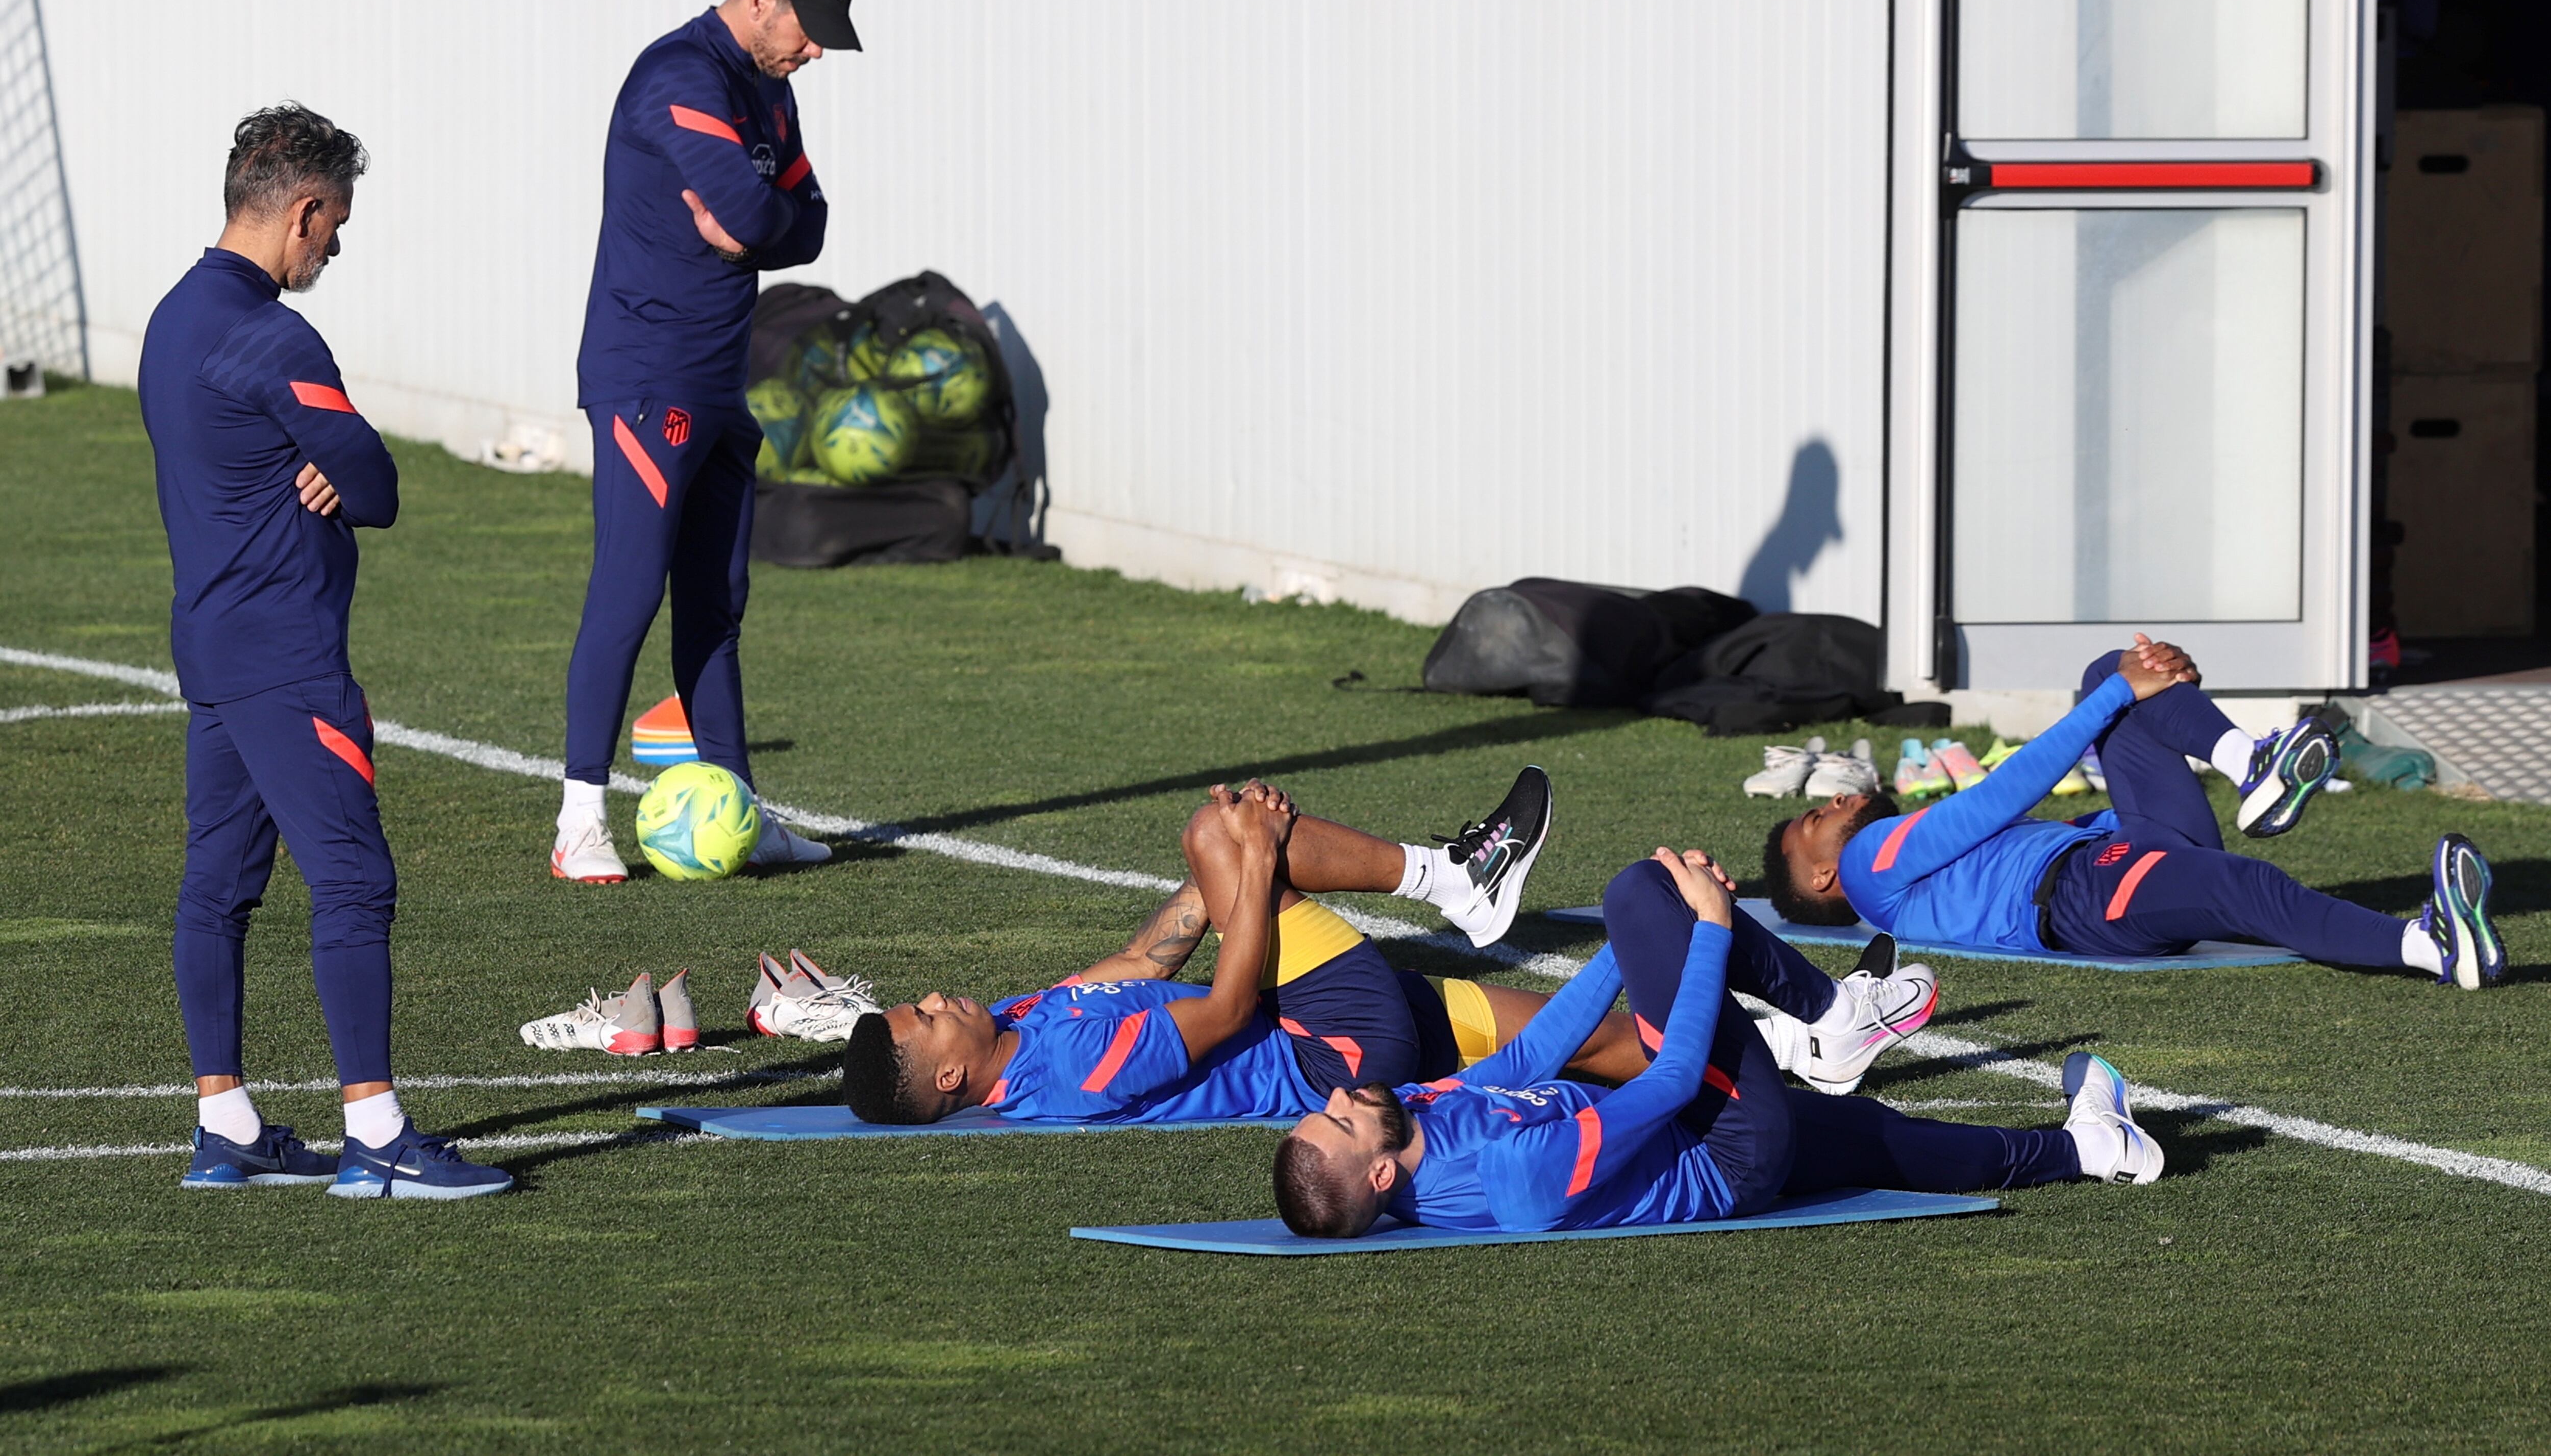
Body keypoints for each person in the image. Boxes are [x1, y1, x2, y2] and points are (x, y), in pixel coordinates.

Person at [138, 105, 509, 1198]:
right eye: (334, 223)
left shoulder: (171, 317)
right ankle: (379, 1136)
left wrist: (318, 462)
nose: (336, 245)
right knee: (354, 880)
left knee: (219, 885)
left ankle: (227, 1122)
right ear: (302, 210)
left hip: (208, 641)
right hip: (286, 655)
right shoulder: (272, 335)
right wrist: (333, 468)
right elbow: (382, 488)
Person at [1272, 847, 2157, 1239]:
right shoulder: (1513, 1178)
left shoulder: (1413, 1121)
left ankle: (2088, 1148)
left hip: (1697, 1127)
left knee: (1892, 1141)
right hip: (1727, 1149)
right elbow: (1668, 1081)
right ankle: (1838, 1015)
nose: (1342, 1096)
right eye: (1341, 1122)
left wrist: (1633, 954)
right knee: (1637, 889)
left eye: (1327, 1109)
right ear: (1380, 1175)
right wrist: (1704, 929)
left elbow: (1526, 1058)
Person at [553, 0, 861, 882]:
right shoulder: (678, 77)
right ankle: (578, 821)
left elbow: (801, 222)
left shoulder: (771, 88)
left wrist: (750, 235)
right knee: (631, 585)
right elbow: (762, 208)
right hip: (648, 379)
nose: (815, 53)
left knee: (717, 605)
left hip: (719, 380)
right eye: (812, 31)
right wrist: (756, 225)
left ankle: (739, 805)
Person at [841, 770, 1655, 1125]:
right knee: (1213, 830)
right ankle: (1457, 877)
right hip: (1336, 1044)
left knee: (1598, 1037)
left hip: (1331, 1014)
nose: (941, 997)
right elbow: (1227, 1010)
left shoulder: (1019, 1023)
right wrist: (1251, 857)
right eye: (929, 1015)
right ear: (950, 1074)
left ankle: (1774, 1045)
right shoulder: (1070, 1072)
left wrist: (1221, 877)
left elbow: (1140, 963)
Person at [1762, 638, 2509, 988]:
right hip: (2080, 896)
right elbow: (2000, 796)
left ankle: (2251, 763)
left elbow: (2023, 822)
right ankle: (2431, 946)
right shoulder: (1867, 867)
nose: (1829, 802)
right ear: (1824, 875)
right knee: (2242, 886)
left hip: (2110, 857)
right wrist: (2121, 695)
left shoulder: (1895, 862)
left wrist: (2147, 688)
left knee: (2109, 667)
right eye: (1811, 824)